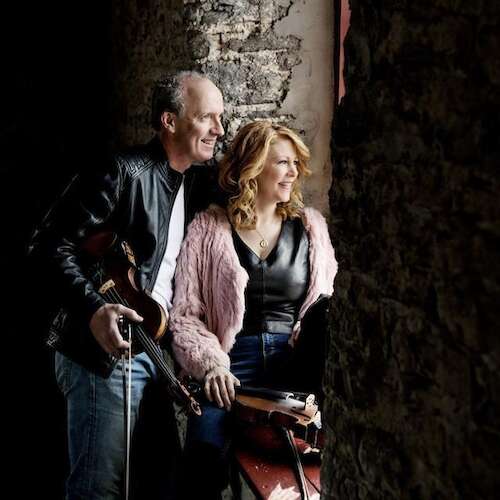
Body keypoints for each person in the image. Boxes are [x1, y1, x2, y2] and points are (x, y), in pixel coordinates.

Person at [28, 70, 225, 500]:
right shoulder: (122, 171)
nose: (219, 129)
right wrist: (93, 309)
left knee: (161, 486)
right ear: (169, 121)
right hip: (103, 354)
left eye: (221, 118)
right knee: (97, 490)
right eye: (207, 117)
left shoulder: (195, 181)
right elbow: (48, 245)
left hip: (151, 351)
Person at [168, 120, 337, 499]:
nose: (293, 172)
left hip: (294, 368)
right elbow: (185, 315)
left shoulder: (311, 227)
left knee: (303, 472)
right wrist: (211, 365)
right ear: (253, 167)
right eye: (282, 162)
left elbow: (322, 305)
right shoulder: (208, 228)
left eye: (296, 163)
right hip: (229, 369)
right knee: (202, 457)